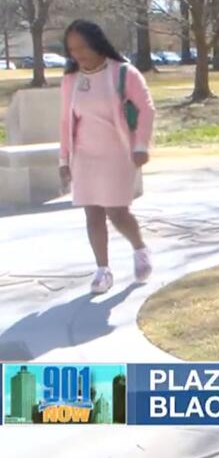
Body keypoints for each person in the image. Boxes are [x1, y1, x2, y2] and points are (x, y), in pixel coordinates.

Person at [59, 20, 156, 294]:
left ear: (98, 43)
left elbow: (146, 110)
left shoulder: (124, 73)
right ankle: (102, 270)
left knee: (116, 212)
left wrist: (140, 146)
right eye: (72, 50)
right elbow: (65, 122)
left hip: (117, 153)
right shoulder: (71, 80)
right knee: (92, 213)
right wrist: (64, 160)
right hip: (85, 156)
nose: (78, 54)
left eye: (83, 47)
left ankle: (139, 248)